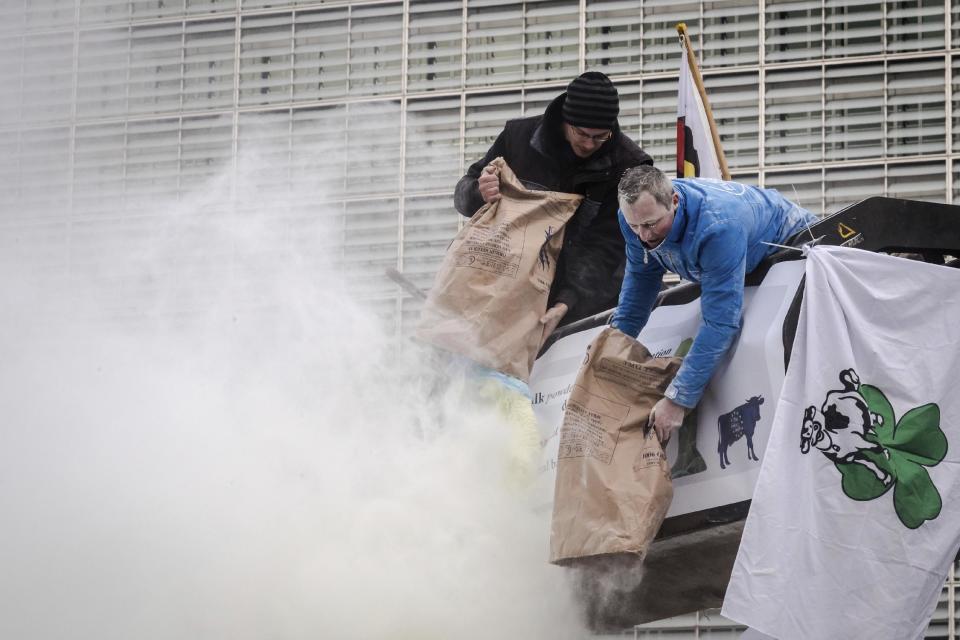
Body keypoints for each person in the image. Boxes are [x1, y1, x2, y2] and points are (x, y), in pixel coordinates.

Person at [611, 165, 818, 442]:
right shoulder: (635, 218)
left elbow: (721, 322)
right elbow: (639, 284)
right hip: (735, 254)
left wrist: (678, 399)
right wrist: (610, 347)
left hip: (794, 245)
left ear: (674, 201)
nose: (643, 236)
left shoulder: (718, 226)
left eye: (650, 224)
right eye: (634, 226)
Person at [454, 71, 653, 345]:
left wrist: (567, 302)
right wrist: (479, 192)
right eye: (581, 133)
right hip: (506, 286)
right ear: (565, 120)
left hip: (583, 301)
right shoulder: (518, 138)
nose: (588, 144)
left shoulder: (628, 166)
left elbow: (609, 247)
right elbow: (463, 195)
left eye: (600, 137)